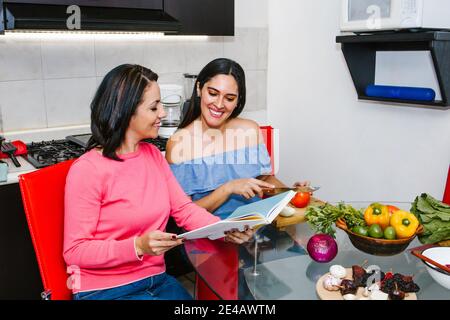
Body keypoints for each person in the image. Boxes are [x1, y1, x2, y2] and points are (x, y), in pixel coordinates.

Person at [63, 64, 253, 300]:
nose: (163, 113)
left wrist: (225, 229)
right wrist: (138, 247)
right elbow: (75, 251)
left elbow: (183, 210)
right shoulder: (87, 170)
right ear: (126, 111)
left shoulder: (152, 155)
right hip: (105, 290)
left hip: (156, 280)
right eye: (154, 107)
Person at [166, 58, 308, 220]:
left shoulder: (250, 130)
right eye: (213, 93)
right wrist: (227, 189)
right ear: (199, 89)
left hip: (254, 231)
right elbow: (183, 214)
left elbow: (265, 180)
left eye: (229, 98)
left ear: (238, 101)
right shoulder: (179, 144)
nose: (219, 104)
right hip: (206, 237)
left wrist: (291, 193)